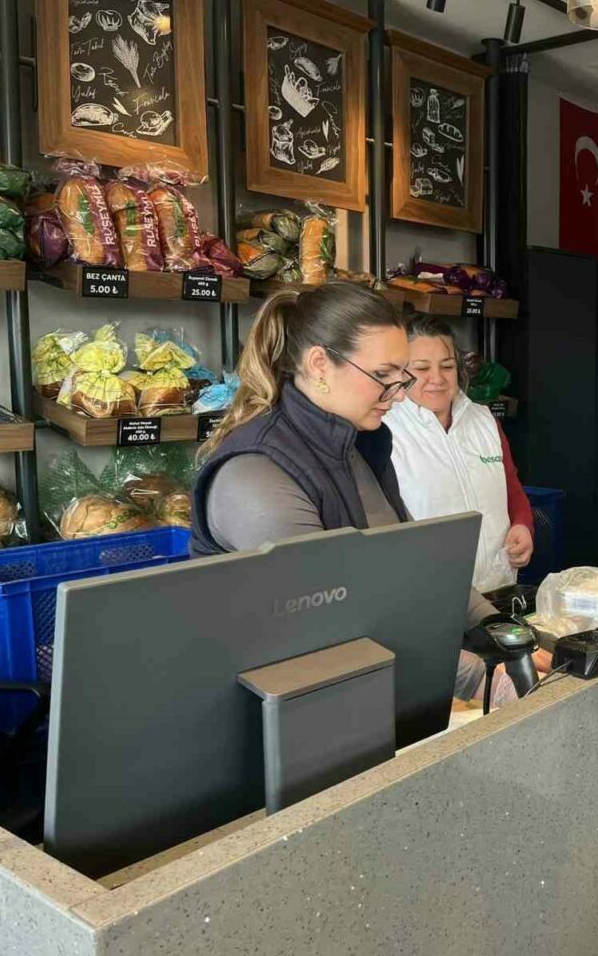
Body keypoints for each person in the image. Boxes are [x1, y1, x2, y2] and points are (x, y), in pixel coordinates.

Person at [190, 283, 514, 706]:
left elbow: (412, 558)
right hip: (274, 715)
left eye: (401, 377)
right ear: (320, 365)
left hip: (351, 694)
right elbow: (331, 622)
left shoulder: (356, 446)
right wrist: (480, 678)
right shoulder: (254, 474)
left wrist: (501, 632)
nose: (399, 395)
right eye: (383, 376)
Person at [386, 315, 535, 593]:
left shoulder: (484, 420)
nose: (437, 379)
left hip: (498, 586)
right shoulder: (385, 432)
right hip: (430, 594)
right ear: (400, 373)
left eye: (447, 366)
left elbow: (511, 489)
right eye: (422, 368)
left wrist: (522, 525)